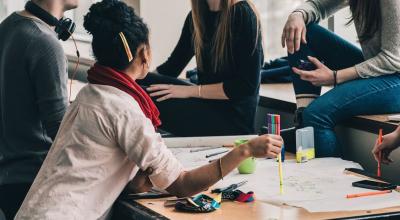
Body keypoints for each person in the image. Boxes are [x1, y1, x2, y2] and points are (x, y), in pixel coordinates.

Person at [15, 1, 283, 219]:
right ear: (144, 54)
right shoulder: (127, 112)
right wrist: (245, 150)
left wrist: (140, 176)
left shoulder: (87, 96)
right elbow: (182, 184)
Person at [281, 0, 400, 157]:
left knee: (316, 115)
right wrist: (297, 15)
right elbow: (318, 6)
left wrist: (335, 77)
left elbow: (392, 59)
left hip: (395, 78)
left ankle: (332, 178)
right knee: (305, 30)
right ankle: (303, 125)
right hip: (379, 71)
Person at [138, 0, 263, 136]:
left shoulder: (243, 14)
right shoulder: (196, 17)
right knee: (133, 81)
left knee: (141, 94)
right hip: (206, 104)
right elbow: (171, 67)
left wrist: (189, 91)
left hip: (233, 122)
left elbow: (245, 86)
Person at [0, 0, 78, 218]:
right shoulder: (45, 42)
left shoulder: (8, 26)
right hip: (34, 180)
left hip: (8, 178)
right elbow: (60, 130)